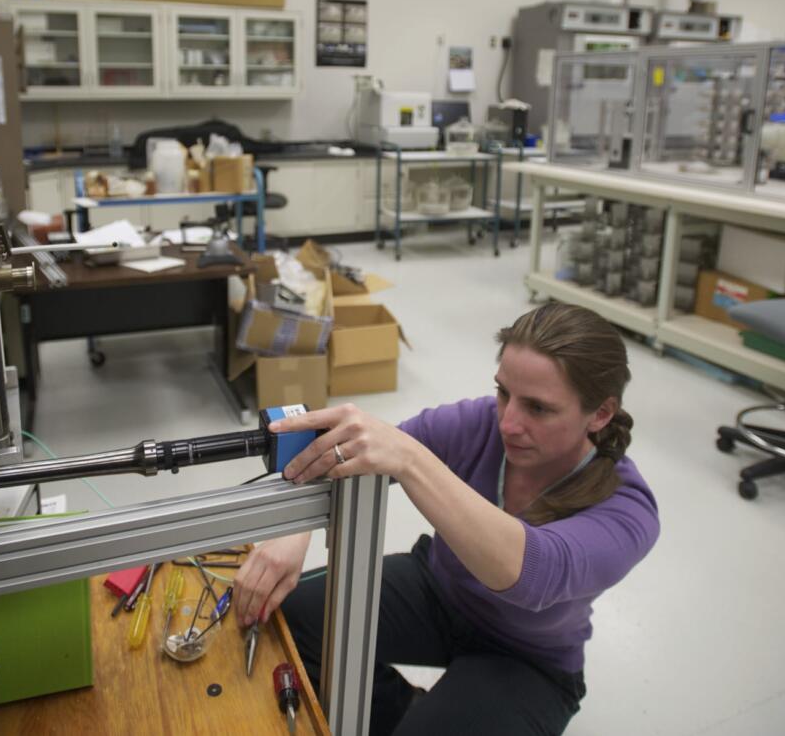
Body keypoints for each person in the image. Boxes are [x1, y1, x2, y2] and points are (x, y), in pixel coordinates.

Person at [233, 303, 660, 735]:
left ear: (601, 414)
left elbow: (531, 574)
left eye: (538, 408)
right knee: (283, 618)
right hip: (439, 590)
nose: (508, 423)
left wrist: (411, 460)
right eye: (503, 393)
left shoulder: (626, 507)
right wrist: (296, 530)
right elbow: (361, 456)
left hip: (527, 658)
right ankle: (399, 711)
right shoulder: (479, 422)